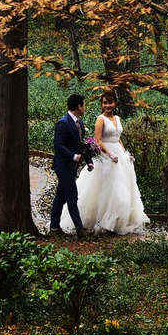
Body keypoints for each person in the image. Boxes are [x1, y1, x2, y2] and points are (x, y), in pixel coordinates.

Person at [60, 90, 149, 235]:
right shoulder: (100, 119)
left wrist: (126, 154)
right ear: (102, 104)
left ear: (115, 103)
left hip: (119, 155)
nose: (107, 105)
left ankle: (119, 221)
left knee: (123, 188)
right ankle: (102, 221)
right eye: (104, 102)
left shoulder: (117, 118)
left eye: (110, 102)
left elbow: (118, 138)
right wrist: (110, 153)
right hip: (105, 156)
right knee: (107, 189)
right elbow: (98, 140)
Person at [50, 94, 88, 238]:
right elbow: (58, 145)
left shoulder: (80, 123)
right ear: (78, 106)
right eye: (84, 104)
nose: (85, 107)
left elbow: (82, 145)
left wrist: (88, 161)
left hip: (72, 166)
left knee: (60, 196)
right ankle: (80, 230)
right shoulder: (63, 123)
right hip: (63, 166)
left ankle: (54, 226)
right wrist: (72, 155)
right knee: (72, 195)